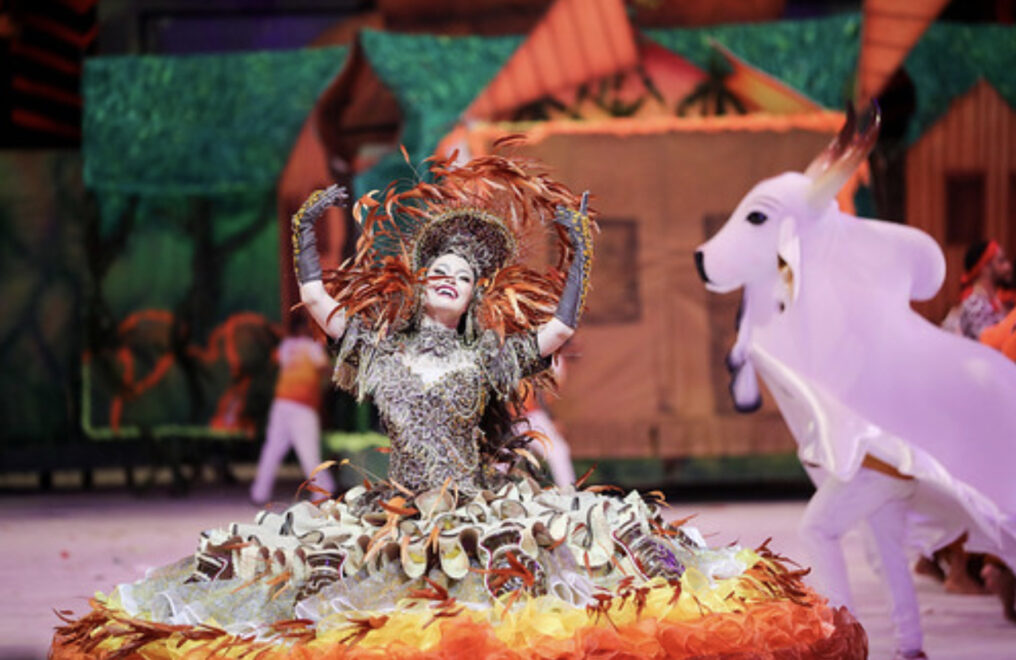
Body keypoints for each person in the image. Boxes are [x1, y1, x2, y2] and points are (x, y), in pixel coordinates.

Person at [52, 154, 865, 658]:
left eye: (462, 274)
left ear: (476, 294)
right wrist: (307, 229)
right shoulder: (379, 347)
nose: (447, 276)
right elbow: (320, 305)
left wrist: (575, 247)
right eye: (437, 268)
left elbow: (558, 331)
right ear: (420, 282)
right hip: (396, 514)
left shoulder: (487, 355)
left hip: (479, 515)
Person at [249, 312, 335, 505]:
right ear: (305, 328)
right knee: (308, 452)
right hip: (302, 407)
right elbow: (325, 369)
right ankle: (323, 491)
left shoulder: (286, 346)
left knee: (272, 450)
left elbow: (277, 361)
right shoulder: (312, 347)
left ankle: (259, 493)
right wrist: (337, 373)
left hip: (282, 404)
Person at [515, 351, 575, 490]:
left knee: (558, 451)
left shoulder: (544, 353)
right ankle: (569, 492)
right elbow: (540, 388)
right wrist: (551, 418)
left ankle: (570, 492)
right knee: (502, 460)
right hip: (518, 416)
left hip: (524, 414)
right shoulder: (543, 351)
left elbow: (540, 388)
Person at [957, 239, 1013, 339]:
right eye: (1001, 261)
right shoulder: (975, 303)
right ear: (985, 267)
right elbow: (991, 342)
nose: (1008, 267)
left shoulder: (999, 300)